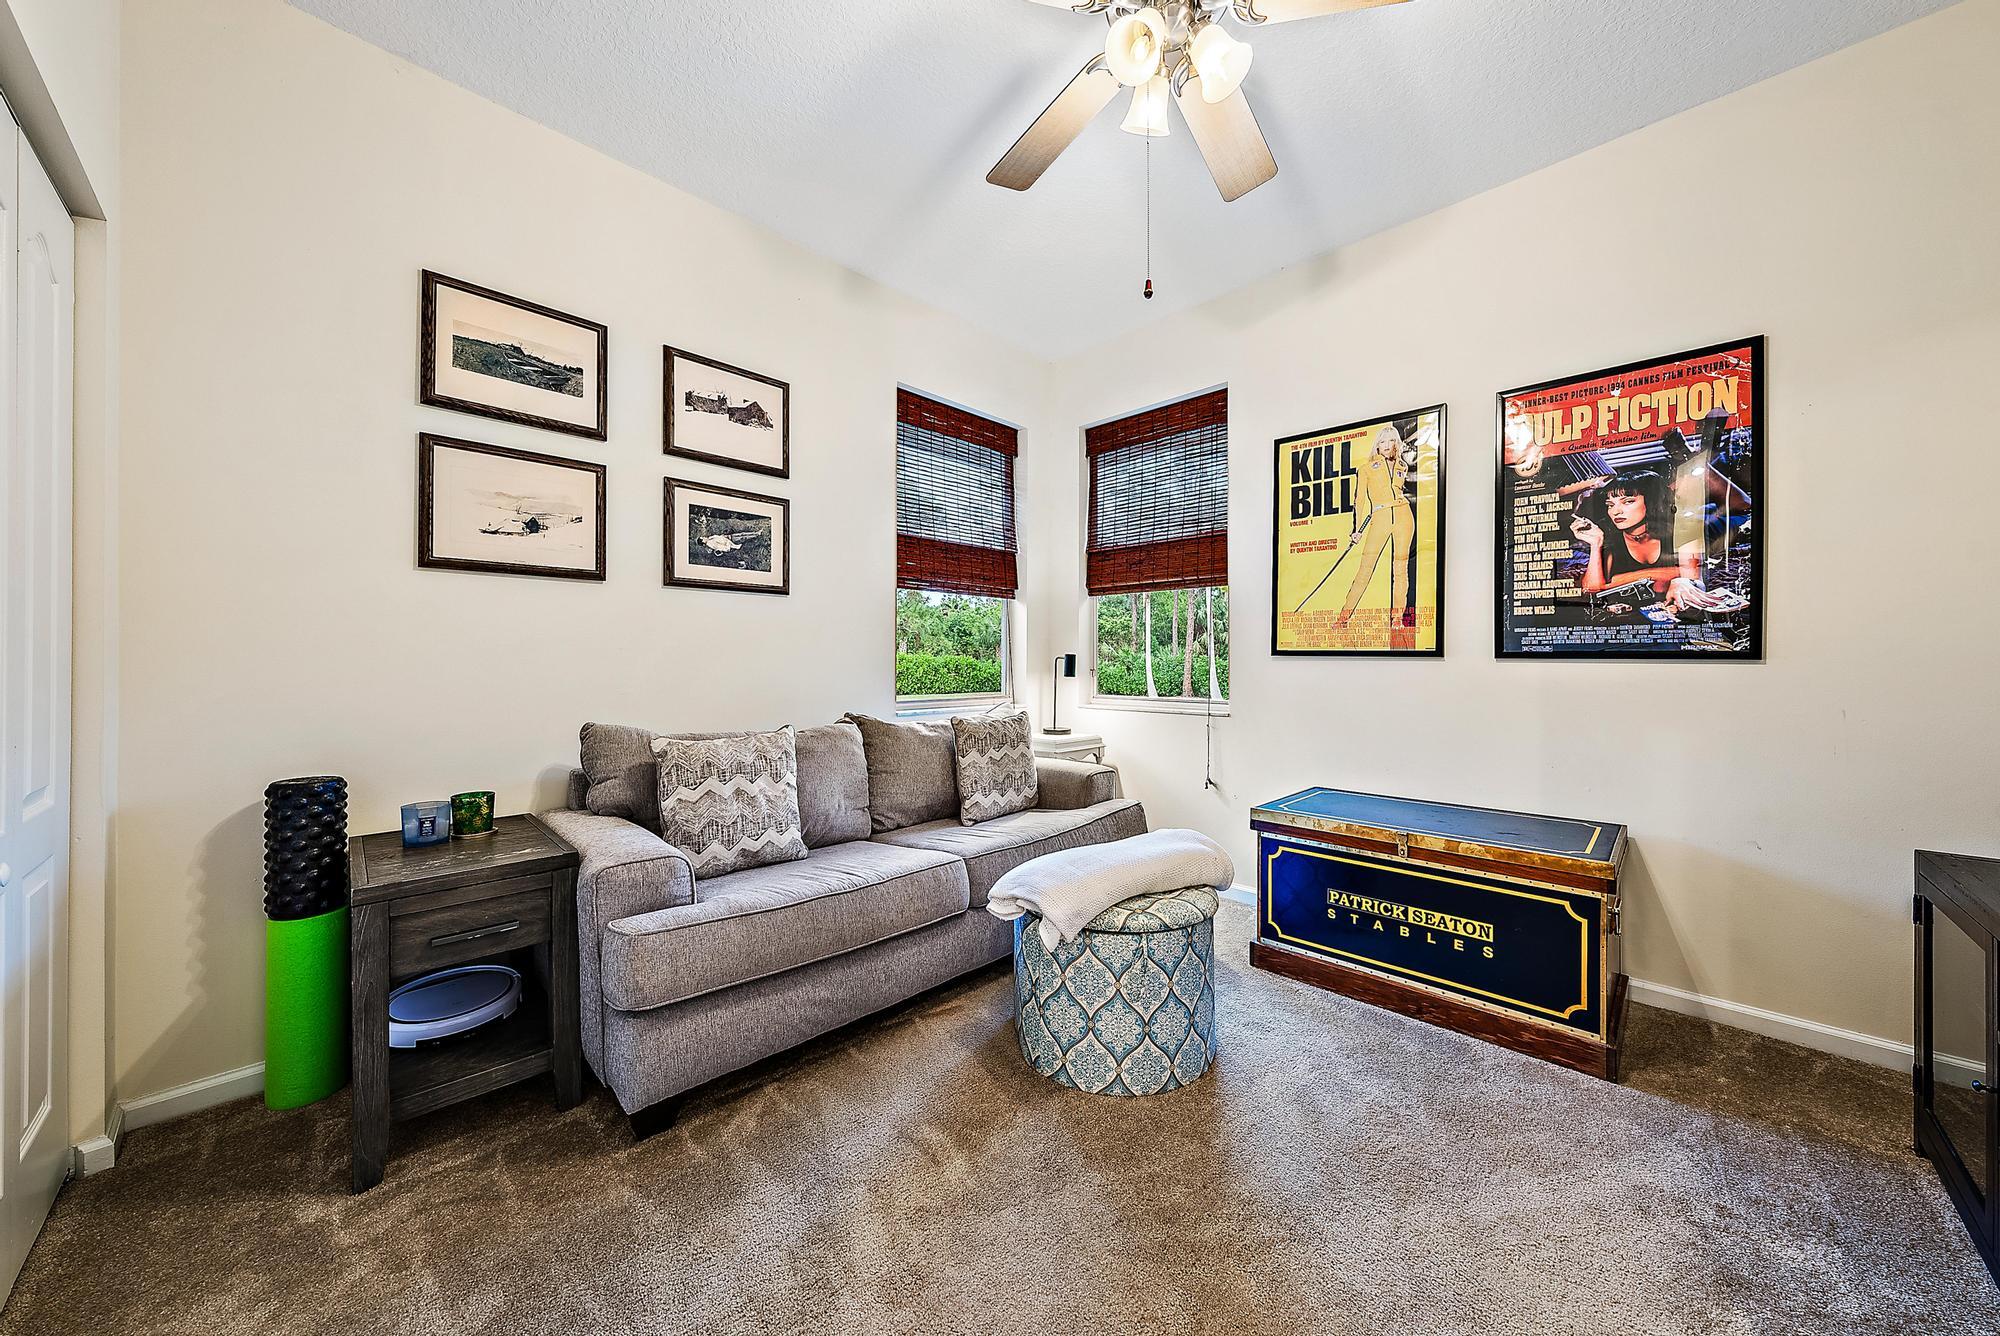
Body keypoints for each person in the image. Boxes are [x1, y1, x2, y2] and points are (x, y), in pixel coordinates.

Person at [1570, 466, 1722, 617]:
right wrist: (1595, 544)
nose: (1615, 511)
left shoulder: (1683, 530)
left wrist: (1618, 581)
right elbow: (1592, 590)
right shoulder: (1608, 534)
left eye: (1628, 501)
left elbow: (1695, 581)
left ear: (1652, 501)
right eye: (1610, 505)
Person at [1335, 425, 1416, 630]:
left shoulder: (1402, 466)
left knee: (1401, 570)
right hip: (1380, 518)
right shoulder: (1366, 469)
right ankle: (1343, 618)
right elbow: (1359, 500)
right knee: (1365, 570)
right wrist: (1356, 530)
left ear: (1397, 443)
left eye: (1392, 440)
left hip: (1404, 516)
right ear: (1377, 445)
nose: (1387, 445)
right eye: (1383, 441)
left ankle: (1397, 619)